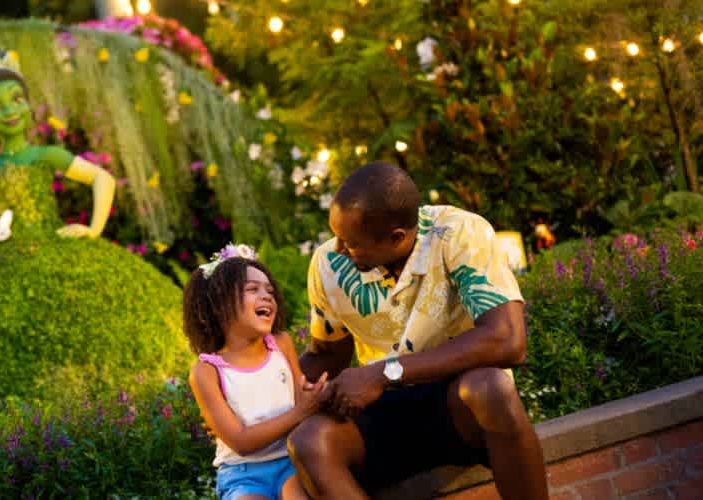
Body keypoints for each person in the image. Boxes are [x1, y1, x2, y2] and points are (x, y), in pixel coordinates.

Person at [0, 48, 186, 420]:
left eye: (17, 100)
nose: (9, 110)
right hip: (5, 263)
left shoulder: (43, 155)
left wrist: (93, 228)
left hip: (54, 244)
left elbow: (102, 178)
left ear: (30, 106)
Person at [288, 162, 548, 499]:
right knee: (309, 441)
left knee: (491, 388)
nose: (337, 248)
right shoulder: (328, 264)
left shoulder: (459, 232)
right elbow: (328, 353)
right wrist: (268, 397)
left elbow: (508, 340)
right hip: (383, 417)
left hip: (458, 406)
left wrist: (382, 374)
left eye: (351, 242)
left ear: (398, 237)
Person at [185, 244, 328, 500]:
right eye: (253, 289)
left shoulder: (280, 343)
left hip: (290, 460)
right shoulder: (206, 371)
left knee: (297, 495)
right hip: (243, 473)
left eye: (269, 290)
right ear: (219, 304)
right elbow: (241, 442)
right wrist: (301, 411)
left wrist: (316, 396)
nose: (267, 296)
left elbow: (300, 398)